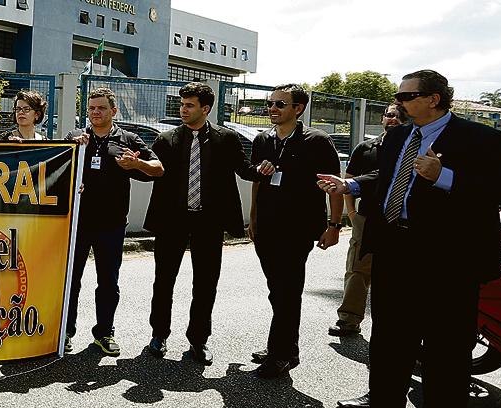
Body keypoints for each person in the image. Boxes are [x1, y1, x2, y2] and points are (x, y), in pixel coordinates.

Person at [320, 70, 501, 408]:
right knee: (390, 336)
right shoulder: (399, 136)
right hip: (395, 247)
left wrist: (444, 176)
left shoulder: (484, 139)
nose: (398, 102)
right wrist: (351, 185)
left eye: (406, 96)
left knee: (447, 342)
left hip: (450, 258)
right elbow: (389, 176)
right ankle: (384, 407)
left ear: (433, 99)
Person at [144, 82, 271, 365]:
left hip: (209, 223)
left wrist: (263, 170)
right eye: (182, 104)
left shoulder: (226, 139)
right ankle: (159, 334)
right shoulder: (166, 139)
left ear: (205, 108)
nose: (183, 110)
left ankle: (198, 340)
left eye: (189, 105)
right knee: (163, 281)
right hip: (171, 222)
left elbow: (244, 170)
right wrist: (132, 165)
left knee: (205, 283)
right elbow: (152, 172)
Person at [244, 83, 342, 378]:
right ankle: (287, 348)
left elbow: (334, 186)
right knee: (277, 291)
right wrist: (253, 218)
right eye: (270, 103)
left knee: (287, 291)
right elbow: (258, 181)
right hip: (267, 227)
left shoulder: (317, 141)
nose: (272, 109)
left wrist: (334, 225)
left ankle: (279, 355)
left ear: (298, 109)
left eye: (280, 104)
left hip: (298, 229)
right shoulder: (262, 139)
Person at [63, 87, 164, 355]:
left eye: (101, 108)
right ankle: (65, 332)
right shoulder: (76, 137)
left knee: (108, 283)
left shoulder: (128, 139)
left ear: (114, 111)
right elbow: (57, 170)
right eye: (91, 108)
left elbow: (158, 169)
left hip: (112, 225)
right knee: (70, 280)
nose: (95, 112)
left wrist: (136, 165)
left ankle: (104, 333)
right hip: (76, 224)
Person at [330, 103, 404, 337]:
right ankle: (348, 319)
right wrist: (352, 214)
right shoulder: (365, 148)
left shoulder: (412, 148)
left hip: (400, 221)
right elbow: (349, 181)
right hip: (367, 217)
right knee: (357, 268)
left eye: (399, 116)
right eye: (389, 115)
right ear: (382, 118)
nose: (393, 119)